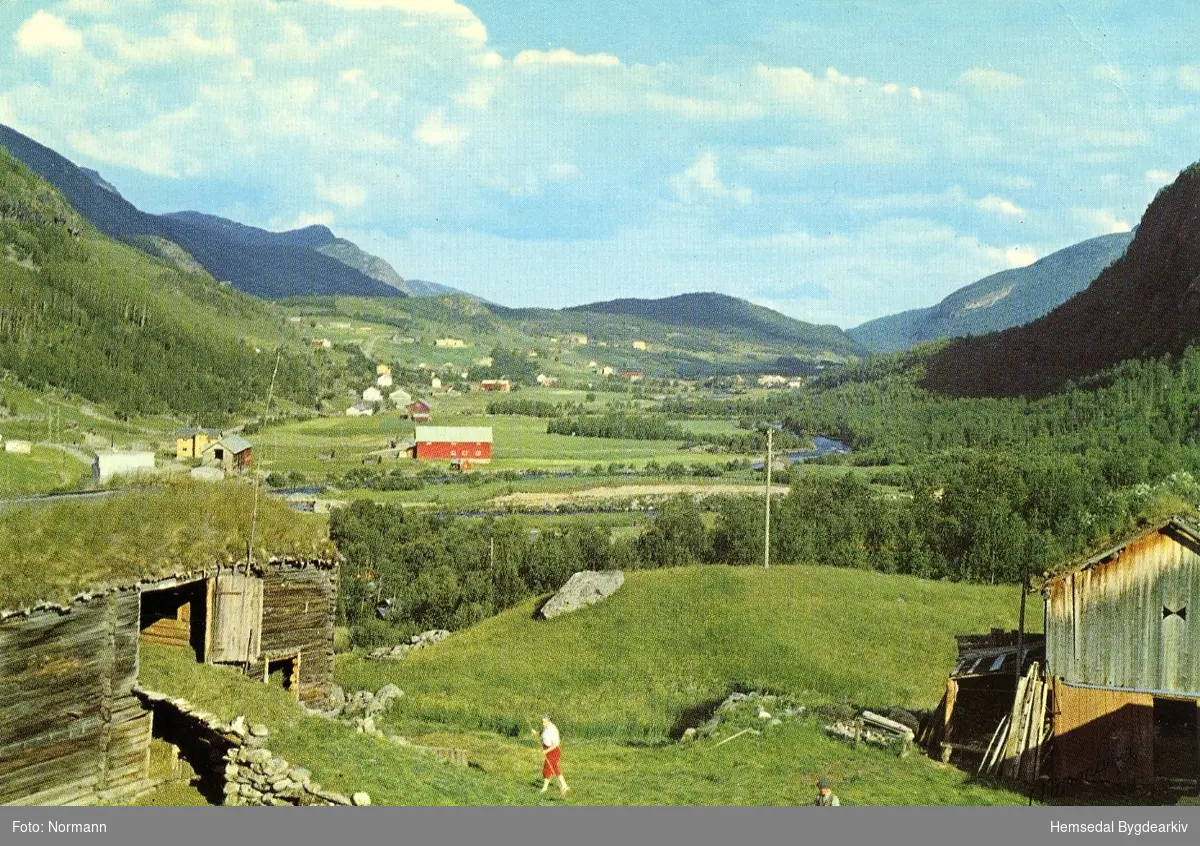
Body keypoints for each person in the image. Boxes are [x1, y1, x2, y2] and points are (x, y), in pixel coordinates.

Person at [532, 714, 570, 796]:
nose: (543, 723)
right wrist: (536, 733)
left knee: (547, 768)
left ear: (549, 721)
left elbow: (556, 744)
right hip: (547, 749)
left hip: (554, 751)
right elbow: (543, 732)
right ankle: (565, 786)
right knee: (554, 768)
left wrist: (546, 751)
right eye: (542, 722)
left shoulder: (553, 730)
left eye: (545, 722)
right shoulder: (546, 727)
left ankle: (545, 788)